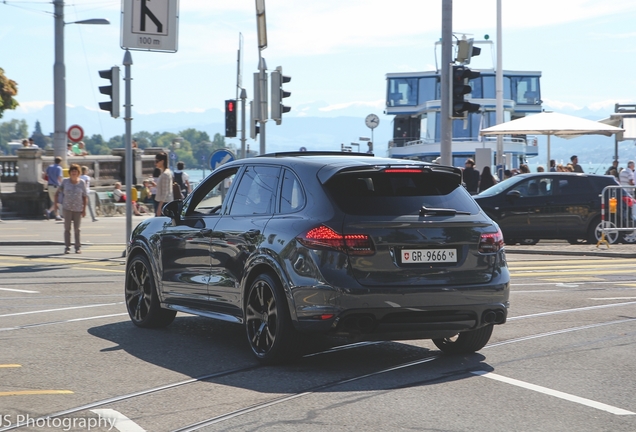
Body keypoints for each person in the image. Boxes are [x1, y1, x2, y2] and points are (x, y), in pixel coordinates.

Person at [54, 164, 87, 254]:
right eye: (72, 171)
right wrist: (55, 205)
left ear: (78, 173)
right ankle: (67, 247)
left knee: (77, 229)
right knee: (67, 228)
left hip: (78, 208)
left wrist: (84, 209)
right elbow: (57, 193)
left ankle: (77, 247)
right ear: (69, 173)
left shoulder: (82, 182)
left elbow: (84, 196)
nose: (73, 173)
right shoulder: (65, 182)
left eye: (75, 171)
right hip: (67, 208)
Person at [44, 156, 64, 221]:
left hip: (49, 186)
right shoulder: (59, 168)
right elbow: (59, 177)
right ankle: (49, 211)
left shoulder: (50, 167)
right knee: (58, 201)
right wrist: (62, 185)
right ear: (60, 162)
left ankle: (57, 215)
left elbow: (44, 175)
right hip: (56, 186)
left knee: (55, 202)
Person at [154, 152, 174, 216]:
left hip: (164, 203)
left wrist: (159, 207)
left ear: (162, 161)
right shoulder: (164, 173)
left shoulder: (165, 174)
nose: (155, 163)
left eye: (157, 161)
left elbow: (165, 192)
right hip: (164, 202)